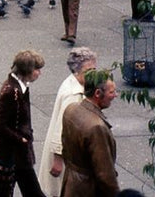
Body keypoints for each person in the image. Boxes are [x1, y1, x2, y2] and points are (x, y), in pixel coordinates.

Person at [0, 49, 47, 197]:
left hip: (14, 154)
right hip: (14, 154)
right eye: (37, 69)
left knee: (1, 193)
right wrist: (21, 139)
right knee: (33, 192)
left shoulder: (19, 87)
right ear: (27, 70)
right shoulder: (12, 92)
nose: (39, 73)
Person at [37, 47, 98, 196]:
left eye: (94, 69)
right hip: (66, 156)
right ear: (77, 70)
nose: (93, 74)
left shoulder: (73, 83)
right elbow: (62, 126)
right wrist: (58, 159)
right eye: (88, 70)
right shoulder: (73, 95)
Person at [60, 70, 119, 196]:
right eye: (112, 92)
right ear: (97, 93)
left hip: (70, 184)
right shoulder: (97, 127)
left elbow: (65, 148)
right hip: (88, 190)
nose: (115, 95)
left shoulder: (71, 109)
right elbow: (105, 174)